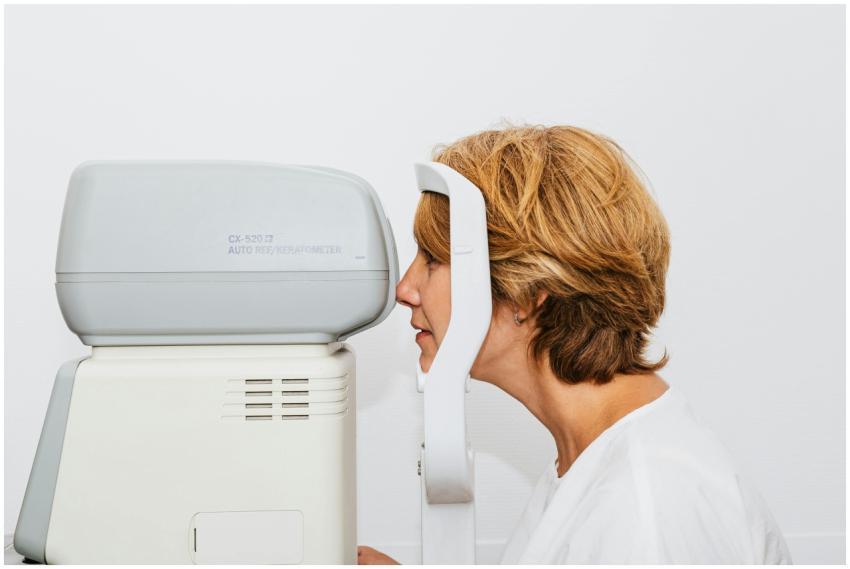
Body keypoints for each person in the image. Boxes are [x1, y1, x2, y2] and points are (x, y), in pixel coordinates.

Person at [358, 125, 791, 564]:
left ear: (526, 292)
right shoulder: (589, 459)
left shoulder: (646, 509)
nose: (404, 288)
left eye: (432, 260)